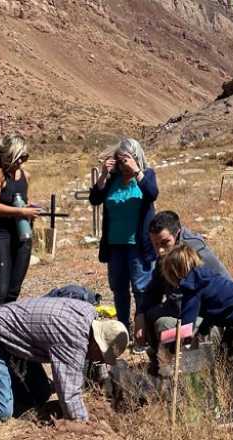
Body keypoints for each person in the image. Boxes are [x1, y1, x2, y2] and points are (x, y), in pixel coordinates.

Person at [0, 295, 128, 422]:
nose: (100, 360)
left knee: (41, 393)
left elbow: (97, 356)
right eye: (102, 356)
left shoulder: (90, 315)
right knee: (0, 411)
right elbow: (70, 397)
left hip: (16, 342)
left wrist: (103, 380)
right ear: (96, 342)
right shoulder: (73, 340)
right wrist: (85, 427)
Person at [159, 244, 233, 428]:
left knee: (227, 363)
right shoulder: (206, 276)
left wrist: (164, 339)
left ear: (174, 272)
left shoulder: (191, 287)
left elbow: (185, 329)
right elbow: (212, 314)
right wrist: (200, 333)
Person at [136, 210, 230, 374]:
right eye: (155, 245)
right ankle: (163, 359)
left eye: (164, 243)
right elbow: (153, 290)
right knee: (151, 314)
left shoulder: (196, 255)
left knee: (163, 324)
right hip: (182, 311)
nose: (160, 251)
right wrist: (140, 315)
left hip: (205, 319)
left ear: (177, 234)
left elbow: (225, 294)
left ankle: (185, 368)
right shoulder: (167, 253)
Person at [88, 138, 158, 348]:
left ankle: (143, 334)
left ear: (136, 157)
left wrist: (137, 171)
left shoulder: (147, 175)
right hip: (115, 244)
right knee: (119, 289)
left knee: (141, 288)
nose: (122, 164)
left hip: (138, 244)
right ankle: (123, 331)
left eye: (125, 159)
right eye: (119, 160)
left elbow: (152, 193)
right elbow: (94, 199)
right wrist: (103, 175)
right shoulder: (113, 179)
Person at [0, 135, 41, 312]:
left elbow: (21, 200)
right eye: (19, 157)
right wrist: (20, 211)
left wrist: (28, 208)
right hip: (0, 235)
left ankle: (3, 331)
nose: (22, 161)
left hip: (21, 235)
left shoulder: (25, 175)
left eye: (25, 157)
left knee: (13, 290)